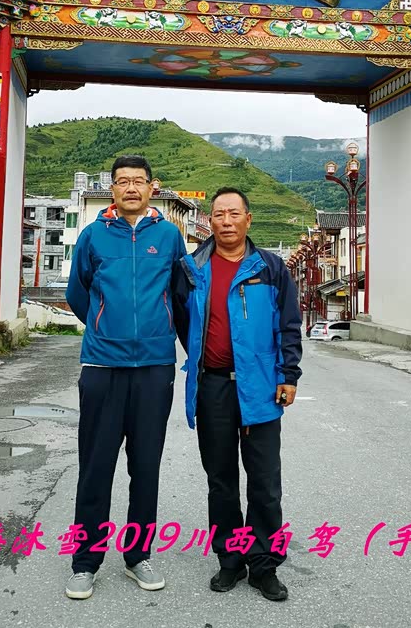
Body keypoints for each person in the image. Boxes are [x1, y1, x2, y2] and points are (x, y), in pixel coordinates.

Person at [64, 155, 186, 600]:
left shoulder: (169, 237)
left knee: (145, 466)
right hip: (102, 366)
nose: (131, 188)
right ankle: (85, 561)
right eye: (122, 181)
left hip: (154, 367)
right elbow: (77, 293)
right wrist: (104, 328)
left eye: (138, 181)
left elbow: (180, 295)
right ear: (111, 189)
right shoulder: (92, 235)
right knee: (96, 466)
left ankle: (138, 556)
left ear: (152, 187)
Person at [172, 187, 302, 602]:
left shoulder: (270, 268)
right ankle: (230, 560)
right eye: (218, 214)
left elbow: (288, 325)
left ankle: (264, 566)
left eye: (234, 213)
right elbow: (182, 321)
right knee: (221, 481)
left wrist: (288, 374)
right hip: (212, 386)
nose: (226, 221)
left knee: (264, 482)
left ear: (248, 218)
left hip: (260, 386)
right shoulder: (191, 268)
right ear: (210, 221)